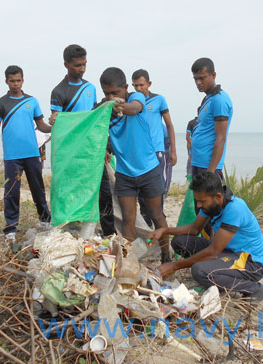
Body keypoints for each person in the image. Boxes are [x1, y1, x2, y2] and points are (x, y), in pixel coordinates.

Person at [149, 171, 263, 301]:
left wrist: (174, 266)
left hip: (251, 263)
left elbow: (213, 252)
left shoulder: (235, 209)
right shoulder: (212, 205)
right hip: (227, 251)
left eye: (202, 201)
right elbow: (194, 229)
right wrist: (165, 230)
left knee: (200, 271)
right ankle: (221, 275)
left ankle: (253, 289)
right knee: (179, 242)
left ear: (218, 196)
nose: (199, 205)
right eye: (197, 201)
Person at [99, 67, 171, 263]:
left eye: (116, 92)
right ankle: (131, 261)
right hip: (124, 174)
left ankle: (166, 255)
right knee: (128, 219)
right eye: (107, 94)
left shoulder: (135, 97)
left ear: (125, 87)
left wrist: (118, 105)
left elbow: (135, 108)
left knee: (157, 215)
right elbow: (88, 123)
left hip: (149, 169)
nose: (112, 97)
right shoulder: (104, 110)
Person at [49, 44, 115, 237]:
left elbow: (95, 120)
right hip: (70, 153)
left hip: (91, 151)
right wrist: (54, 119)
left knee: (102, 193)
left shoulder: (90, 88)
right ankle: (65, 231)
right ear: (66, 64)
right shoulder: (58, 91)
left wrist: (104, 146)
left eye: (84, 64)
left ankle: (109, 234)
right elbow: (59, 123)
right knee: (66, 191)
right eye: (78, 65)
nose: (82, 68)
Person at [0, 65, 52, 246]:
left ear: (23, 80)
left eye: (18, 80)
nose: (15, 84)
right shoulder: (1, 103)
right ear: (6, 81)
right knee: (11, 193)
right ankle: (10, 229)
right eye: (12, 81)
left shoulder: (32, 101)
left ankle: (45, 221)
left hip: (32, 153)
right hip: (12, 157)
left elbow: (42, 125)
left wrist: (57, 127)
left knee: (38, 188)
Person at [131, 69, 177, 227]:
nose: (138, 89)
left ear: (149, 84)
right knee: (142, 192)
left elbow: (169, 125)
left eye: (141, 85)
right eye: (135, 85)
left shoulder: (159, 100)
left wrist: (173, 151)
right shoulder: (132, 103)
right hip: (139, 153)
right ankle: (147, 227)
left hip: (157, 151)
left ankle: (160, 226)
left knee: (158, 190)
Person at [190, 58, 233, 180]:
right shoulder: (209, 98)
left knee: (210, 199)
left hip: (208, 166)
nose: (198, 82)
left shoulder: (219, 100)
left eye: (202, 78)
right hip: (198, 162)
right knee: (198, 199)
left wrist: (211, 171)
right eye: (195, 79)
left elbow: (221, 137)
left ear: (213, 75)